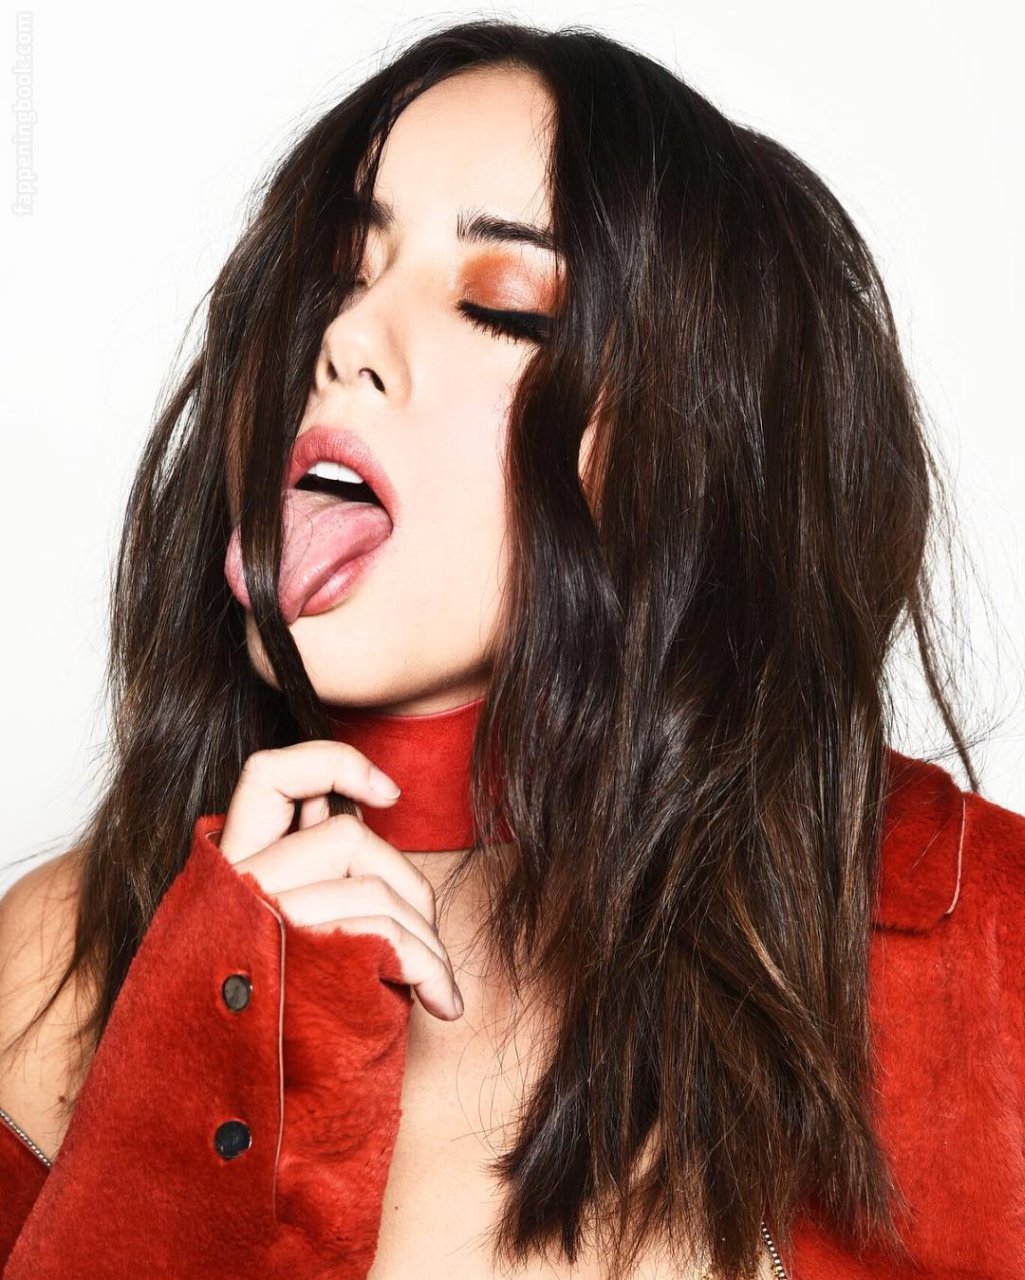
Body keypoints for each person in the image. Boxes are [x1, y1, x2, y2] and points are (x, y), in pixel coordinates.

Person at [1, 17, 1022, 1280]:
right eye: (337, 274)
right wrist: (184, 1100)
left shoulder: (985, 949)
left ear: (688, 462)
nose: (346, 336)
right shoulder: (61, 961)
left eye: (499, 305)